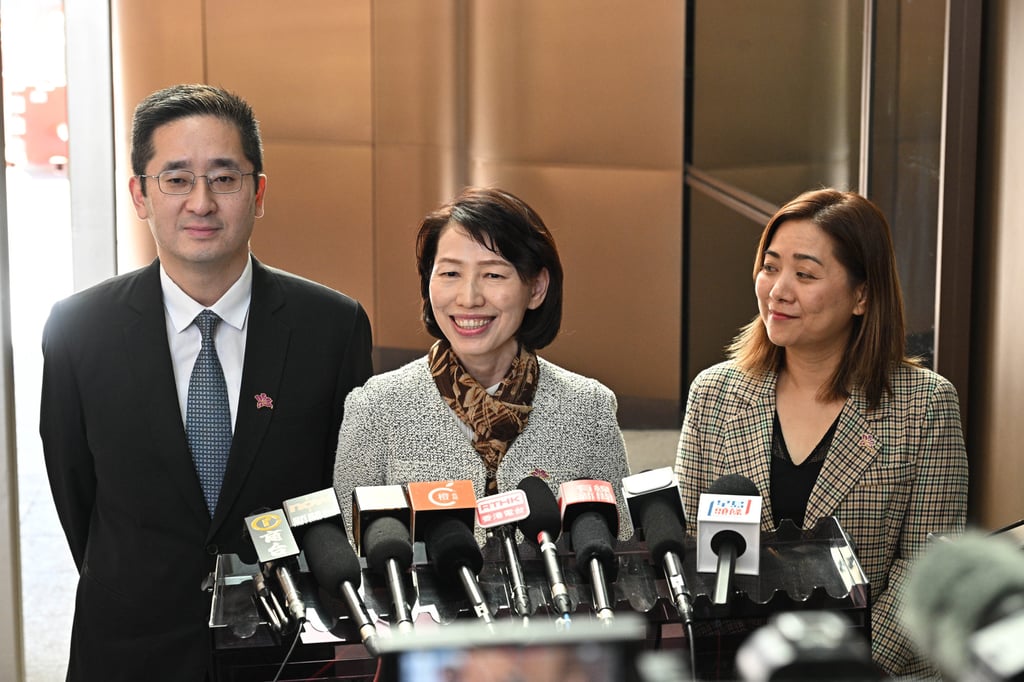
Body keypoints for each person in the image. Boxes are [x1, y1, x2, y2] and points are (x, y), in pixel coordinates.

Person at [39, 84, 373, 682]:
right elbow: (76, 496)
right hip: (128, 649)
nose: (201, 202)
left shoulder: (332, 327)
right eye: (175, 179)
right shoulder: (78, 330)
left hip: (286, 651)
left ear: (259, 192)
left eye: (224, 178)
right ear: (140, 194)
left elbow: (337, 494)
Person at [674, 188, 967, 679]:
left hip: (869, 668)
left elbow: (928, 573)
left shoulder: (925, 405)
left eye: (805, 274)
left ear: (862, 295)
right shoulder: (715, 394)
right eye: (770, 267)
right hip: (735, 661)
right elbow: (689, 549)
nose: (778, 289)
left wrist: (840, 670)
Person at [333, 186, 631, 541]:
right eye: (450, 274)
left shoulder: (588, 408)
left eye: (493, 275)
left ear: (536, 288)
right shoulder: (375, 409)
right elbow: (351, 556)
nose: (469, 298)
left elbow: (620, 549)